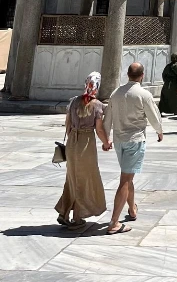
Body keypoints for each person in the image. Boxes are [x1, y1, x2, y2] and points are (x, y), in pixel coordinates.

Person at [102, 63, 163, 235]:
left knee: (128, 176)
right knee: (125, 180)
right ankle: (114, 222)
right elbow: (154, 116)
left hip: (119, 141)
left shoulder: (116, 93)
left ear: (127, 74)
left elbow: (108, 118)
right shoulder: (143, 94)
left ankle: (132, 208)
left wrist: (106, 139)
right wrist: (159, 131)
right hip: (134, 141)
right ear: (142, 76)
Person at [55, 71, 108, 229]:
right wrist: (106, 142)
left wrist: (72, 138)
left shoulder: (73, 102)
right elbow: (99, 129)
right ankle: (77, 217)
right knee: (84, 179)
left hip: (72, 142)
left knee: (72, 178)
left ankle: (64, 212)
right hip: (86, 143)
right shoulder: (97, 105)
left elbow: (67, 124)